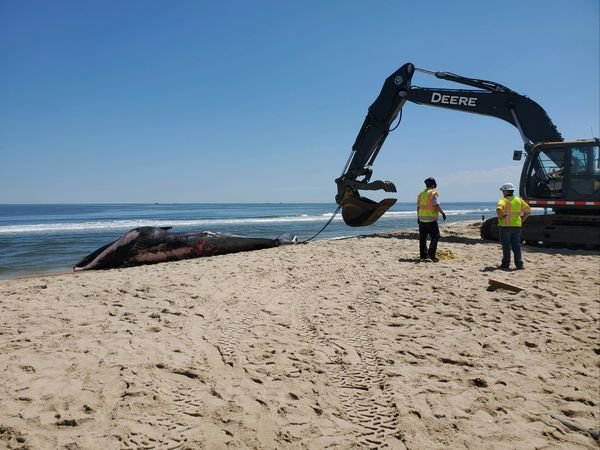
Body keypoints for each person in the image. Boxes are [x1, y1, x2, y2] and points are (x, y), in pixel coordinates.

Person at [496, 182, 531, 270]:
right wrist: (522, 220)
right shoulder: (519, 200)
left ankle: (505, 264)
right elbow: (528, 211)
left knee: (506, 246)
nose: (502, 192)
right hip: (517, 226)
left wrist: (501, 216)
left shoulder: (503, 200)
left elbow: (498, 209)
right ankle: (519, 264)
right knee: (516, 246)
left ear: (505, 191)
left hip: (505, 226)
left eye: (503, 191)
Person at [417, 177, 446, 262]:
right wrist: (443, 213)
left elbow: (418, 207)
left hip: (422, 220)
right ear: (433, 184)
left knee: (422, 238)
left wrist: (418, 217)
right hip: (431, 220)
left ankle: (423, 255)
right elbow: (436, 206)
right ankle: (431, 254)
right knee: (436, 236)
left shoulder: (421, 194)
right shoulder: (434, 193)